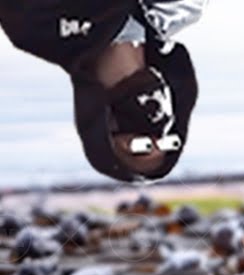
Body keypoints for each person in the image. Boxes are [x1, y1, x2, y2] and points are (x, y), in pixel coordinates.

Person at [0, 0, 204, 182]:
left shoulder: (35, 28)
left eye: (141, 147)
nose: (157, 134)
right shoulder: (182, 8)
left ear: (103, 132)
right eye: (169, 142)